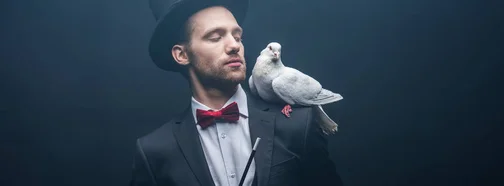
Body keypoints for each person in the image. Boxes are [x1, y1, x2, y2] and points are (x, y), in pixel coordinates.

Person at [129, 0, 343, 186]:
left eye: (237, 36)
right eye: (215, 37)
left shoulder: (298, 123)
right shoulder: (154, 151)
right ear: (182, 54)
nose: (234, 46)